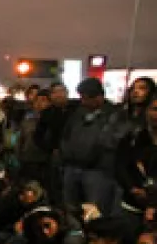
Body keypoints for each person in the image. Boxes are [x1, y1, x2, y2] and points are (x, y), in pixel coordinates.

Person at [60, 78, 122, 216]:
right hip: (72, 166)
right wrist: (66, 154)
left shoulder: (114, 114)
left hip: (97, 171)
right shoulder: (77, 113)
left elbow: (109, 141)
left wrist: (93, 157)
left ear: (99, 97)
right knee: (71, 208)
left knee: (95, 210)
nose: (83, 101)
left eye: (87, 98)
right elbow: (65, 136)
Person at [115, 95, 157, 235]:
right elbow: (120, 165)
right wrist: (132, 188)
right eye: (154, 109)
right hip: (132, 202)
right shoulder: (133, 137)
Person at [18, 90, 52, 186]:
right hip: (27, 159)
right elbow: (21, 139)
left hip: (44, 161)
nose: (40, 103)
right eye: (37, 101)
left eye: (44, 100)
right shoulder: (27, 119)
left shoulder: (52, 120)